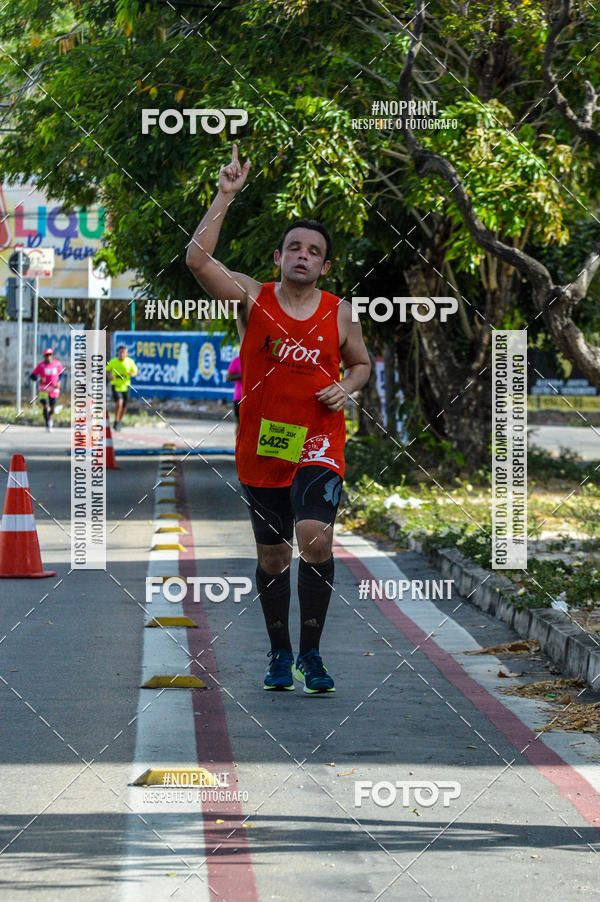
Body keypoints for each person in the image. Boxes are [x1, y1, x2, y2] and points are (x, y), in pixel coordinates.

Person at [186, 145, 371, 694]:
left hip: (319, 441)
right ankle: (279, 652)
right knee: (273, 555)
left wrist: (347, 386)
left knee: (314, 538)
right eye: (294, 247)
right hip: (263, 445)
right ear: (278, 257)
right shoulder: (252, 296)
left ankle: (311, 655)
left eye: (314, 251)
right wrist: (225, 194)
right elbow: (197, 261)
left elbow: (360, 364)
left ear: (325, 265)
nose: (303, 255)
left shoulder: (340, 312)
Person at [30, 348, 65, 432]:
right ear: (44, 356)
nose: (48, 357)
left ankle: (50, 418)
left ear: (52, 355)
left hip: (54, 389)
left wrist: (59, 382)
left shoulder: (57, 364)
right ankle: (47, 423)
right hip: (44, 389)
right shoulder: (41, 365)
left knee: (52, 407)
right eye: (46, 355)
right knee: (45, 406)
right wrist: (39, 379)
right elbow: (32, 376)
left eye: (49, 355)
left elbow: (61, 374)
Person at [106, 345, 137, 431]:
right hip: (116, 385)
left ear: (127, 353)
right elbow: (107, 369)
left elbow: (135, 372)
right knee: (119, 402)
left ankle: (119, 421)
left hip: (126, 386)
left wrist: (132, 374)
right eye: (120, 352)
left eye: (123, 352)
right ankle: (116, 420)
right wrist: (110, 376)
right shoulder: (113, 362)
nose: (122, 354)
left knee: (124, 406)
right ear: (118, 353)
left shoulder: (130, 362)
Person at [226, 353, 242, 435]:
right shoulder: (237, 360)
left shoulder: (255, 360)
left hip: (253, 397)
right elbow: (228, 377)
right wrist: (244, 375)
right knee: (240, 423)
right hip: (239, 397)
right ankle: (238, 446)